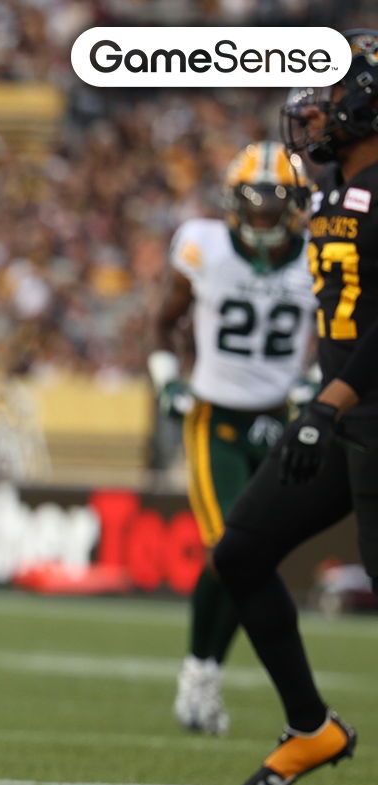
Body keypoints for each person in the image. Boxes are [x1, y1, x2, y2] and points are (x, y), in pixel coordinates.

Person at [209, 30, 378, 785]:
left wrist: (328, 402)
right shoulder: (334, 190)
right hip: (341, 409)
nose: (311, 111)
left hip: (358, 408)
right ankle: (313, 727)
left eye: (329, 94)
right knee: (241, 551)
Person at [147, 140, 317, 737]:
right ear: (233, 202)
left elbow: (339, 323)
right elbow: (164, 322)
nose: (266, 216)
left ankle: (204, 670)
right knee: (230, 549)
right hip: (215, 416)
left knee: (251, 558)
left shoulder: (319, 252)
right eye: (256, 203)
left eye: (278, 204)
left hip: (282, 418)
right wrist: (168, 379)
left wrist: (314, 377)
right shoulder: (206, 246)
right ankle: (199, 675)